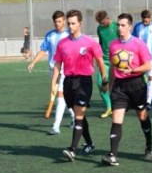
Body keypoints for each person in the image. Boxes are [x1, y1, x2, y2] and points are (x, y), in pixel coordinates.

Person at [51, 9, 107, 162]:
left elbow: (101, 62)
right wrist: (54, 83)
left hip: (84, 82)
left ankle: (72, 149)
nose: (70, 26)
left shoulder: (89, 42)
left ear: (80, 23)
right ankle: (89, 143)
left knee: (79, 116)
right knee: (79, 115)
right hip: (68, 82)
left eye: (73, 23)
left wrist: (104, 81)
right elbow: (57, 64)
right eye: (68, 23)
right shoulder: (63, 43)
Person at [101, 13, 152, 166]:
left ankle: (149, 146)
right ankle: (113, 155)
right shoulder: (113, 45)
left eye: (123, 25)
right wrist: (110, 85)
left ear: (130, 26)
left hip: (136, 83)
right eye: (118, 25)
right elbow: (112, 67)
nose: (120, 28)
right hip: (119, 86)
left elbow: (148, 65)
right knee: (116, 119)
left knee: (142, 116)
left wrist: (133, 70)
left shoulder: (138, 44)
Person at [27, 10, 74, 135]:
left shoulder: (70, 34)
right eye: (55, 22)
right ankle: (74, 117)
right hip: (53, 69)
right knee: (63, 97)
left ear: (64, 20)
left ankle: (56, 127)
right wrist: (33, 63)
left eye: (59, 21)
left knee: (60, 97)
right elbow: (43, 50)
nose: (57, 24)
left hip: (67, 70)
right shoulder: (50, 35)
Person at [132, 10, 152, 109]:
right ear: (141, 18)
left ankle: (148, 102)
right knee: (144, 79)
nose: (145, 22)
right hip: (140, 57)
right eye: (144, 20)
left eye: (147, 20)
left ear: (150, 18)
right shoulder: (137, 27)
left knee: (151, 78)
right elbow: (133, 40)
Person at [94, 10, 119, 119]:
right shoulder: (99, 29)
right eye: (99, 23)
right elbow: (100, 43)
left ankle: (119, 106)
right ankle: (109, 107)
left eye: (102, 22)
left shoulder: (117, 26)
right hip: (104, 60)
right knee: (101, 83)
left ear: (107, 18)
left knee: (118, 85)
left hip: (117, 60)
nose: (101, 24)